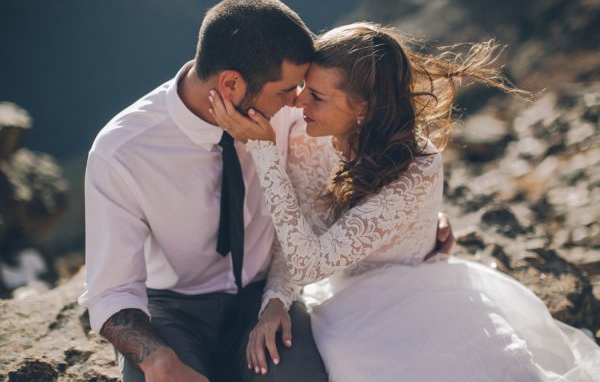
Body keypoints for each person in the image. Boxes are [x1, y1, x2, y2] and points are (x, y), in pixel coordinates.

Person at [78, 0, 454, 382]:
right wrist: (155, 357)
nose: (298, 100)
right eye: (287, 89)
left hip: (266, 296)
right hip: (175, 308)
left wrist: (418, 224)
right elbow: (111, 291)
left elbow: (365, 155)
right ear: (231, 85)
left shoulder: (296, 117)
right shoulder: (122, 151)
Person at [210, 22, 600, 381]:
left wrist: (264, 152)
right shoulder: (307, 139)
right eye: (303, 89)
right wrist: (275, 300)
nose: (299, 104)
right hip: (345, 304)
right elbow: (297, 237)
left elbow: (309, 262)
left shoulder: (419, 167)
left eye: (317, 96)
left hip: (419, 296)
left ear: (363, 109)